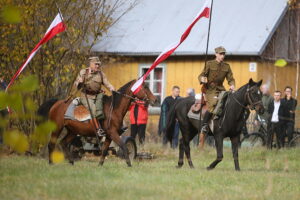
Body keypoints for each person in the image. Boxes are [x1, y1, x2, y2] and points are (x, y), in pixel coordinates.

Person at [198, 46, 235, 134]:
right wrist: (202, 79)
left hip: (221, 88)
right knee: (214, 103)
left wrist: (232, 85)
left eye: (224, 54)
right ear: (216, 54)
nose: (222, 56)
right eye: (220, 54)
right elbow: (201, 75)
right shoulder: (209, 64)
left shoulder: (227, 66)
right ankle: (204, 124)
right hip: (210, 89)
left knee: (231, 101)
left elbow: (230, 78)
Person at [73, 56, 115, 135]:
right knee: (93, 109)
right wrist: (79, 82)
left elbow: (107, 83)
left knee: (109, 106)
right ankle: (98, 129)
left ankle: (111, 126)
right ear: (91, 64)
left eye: (99, 64)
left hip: (98, 96)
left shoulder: (101, 74)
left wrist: (111, 88)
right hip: (86, 96)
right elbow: (76, 85)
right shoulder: (83, 72)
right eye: (96, 64)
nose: (98, 66)